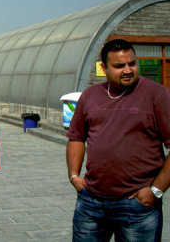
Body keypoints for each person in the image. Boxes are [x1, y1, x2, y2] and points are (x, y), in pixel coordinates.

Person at [66, 39, 170, 242]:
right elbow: (76, 137)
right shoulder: (90, 96)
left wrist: (155, 191)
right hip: (91, 203)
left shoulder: (157, 95)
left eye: (132, 63)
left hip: (137, 207)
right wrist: (74, 176)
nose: (128, 70)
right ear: (104, 67)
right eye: (119, 66)